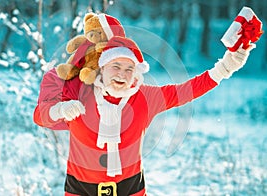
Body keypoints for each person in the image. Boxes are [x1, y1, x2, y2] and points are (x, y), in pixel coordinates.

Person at [33, 35, 254, 195]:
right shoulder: (80, 91)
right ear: (102, 68)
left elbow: (188, 90)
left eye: (129, 69)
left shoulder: (146, 97)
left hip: (131, 190)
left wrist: (225, 67)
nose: (122, 74)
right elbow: (39, 117)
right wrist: (59, 110)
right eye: (115, 66)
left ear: (136, 73)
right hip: (79, 189)